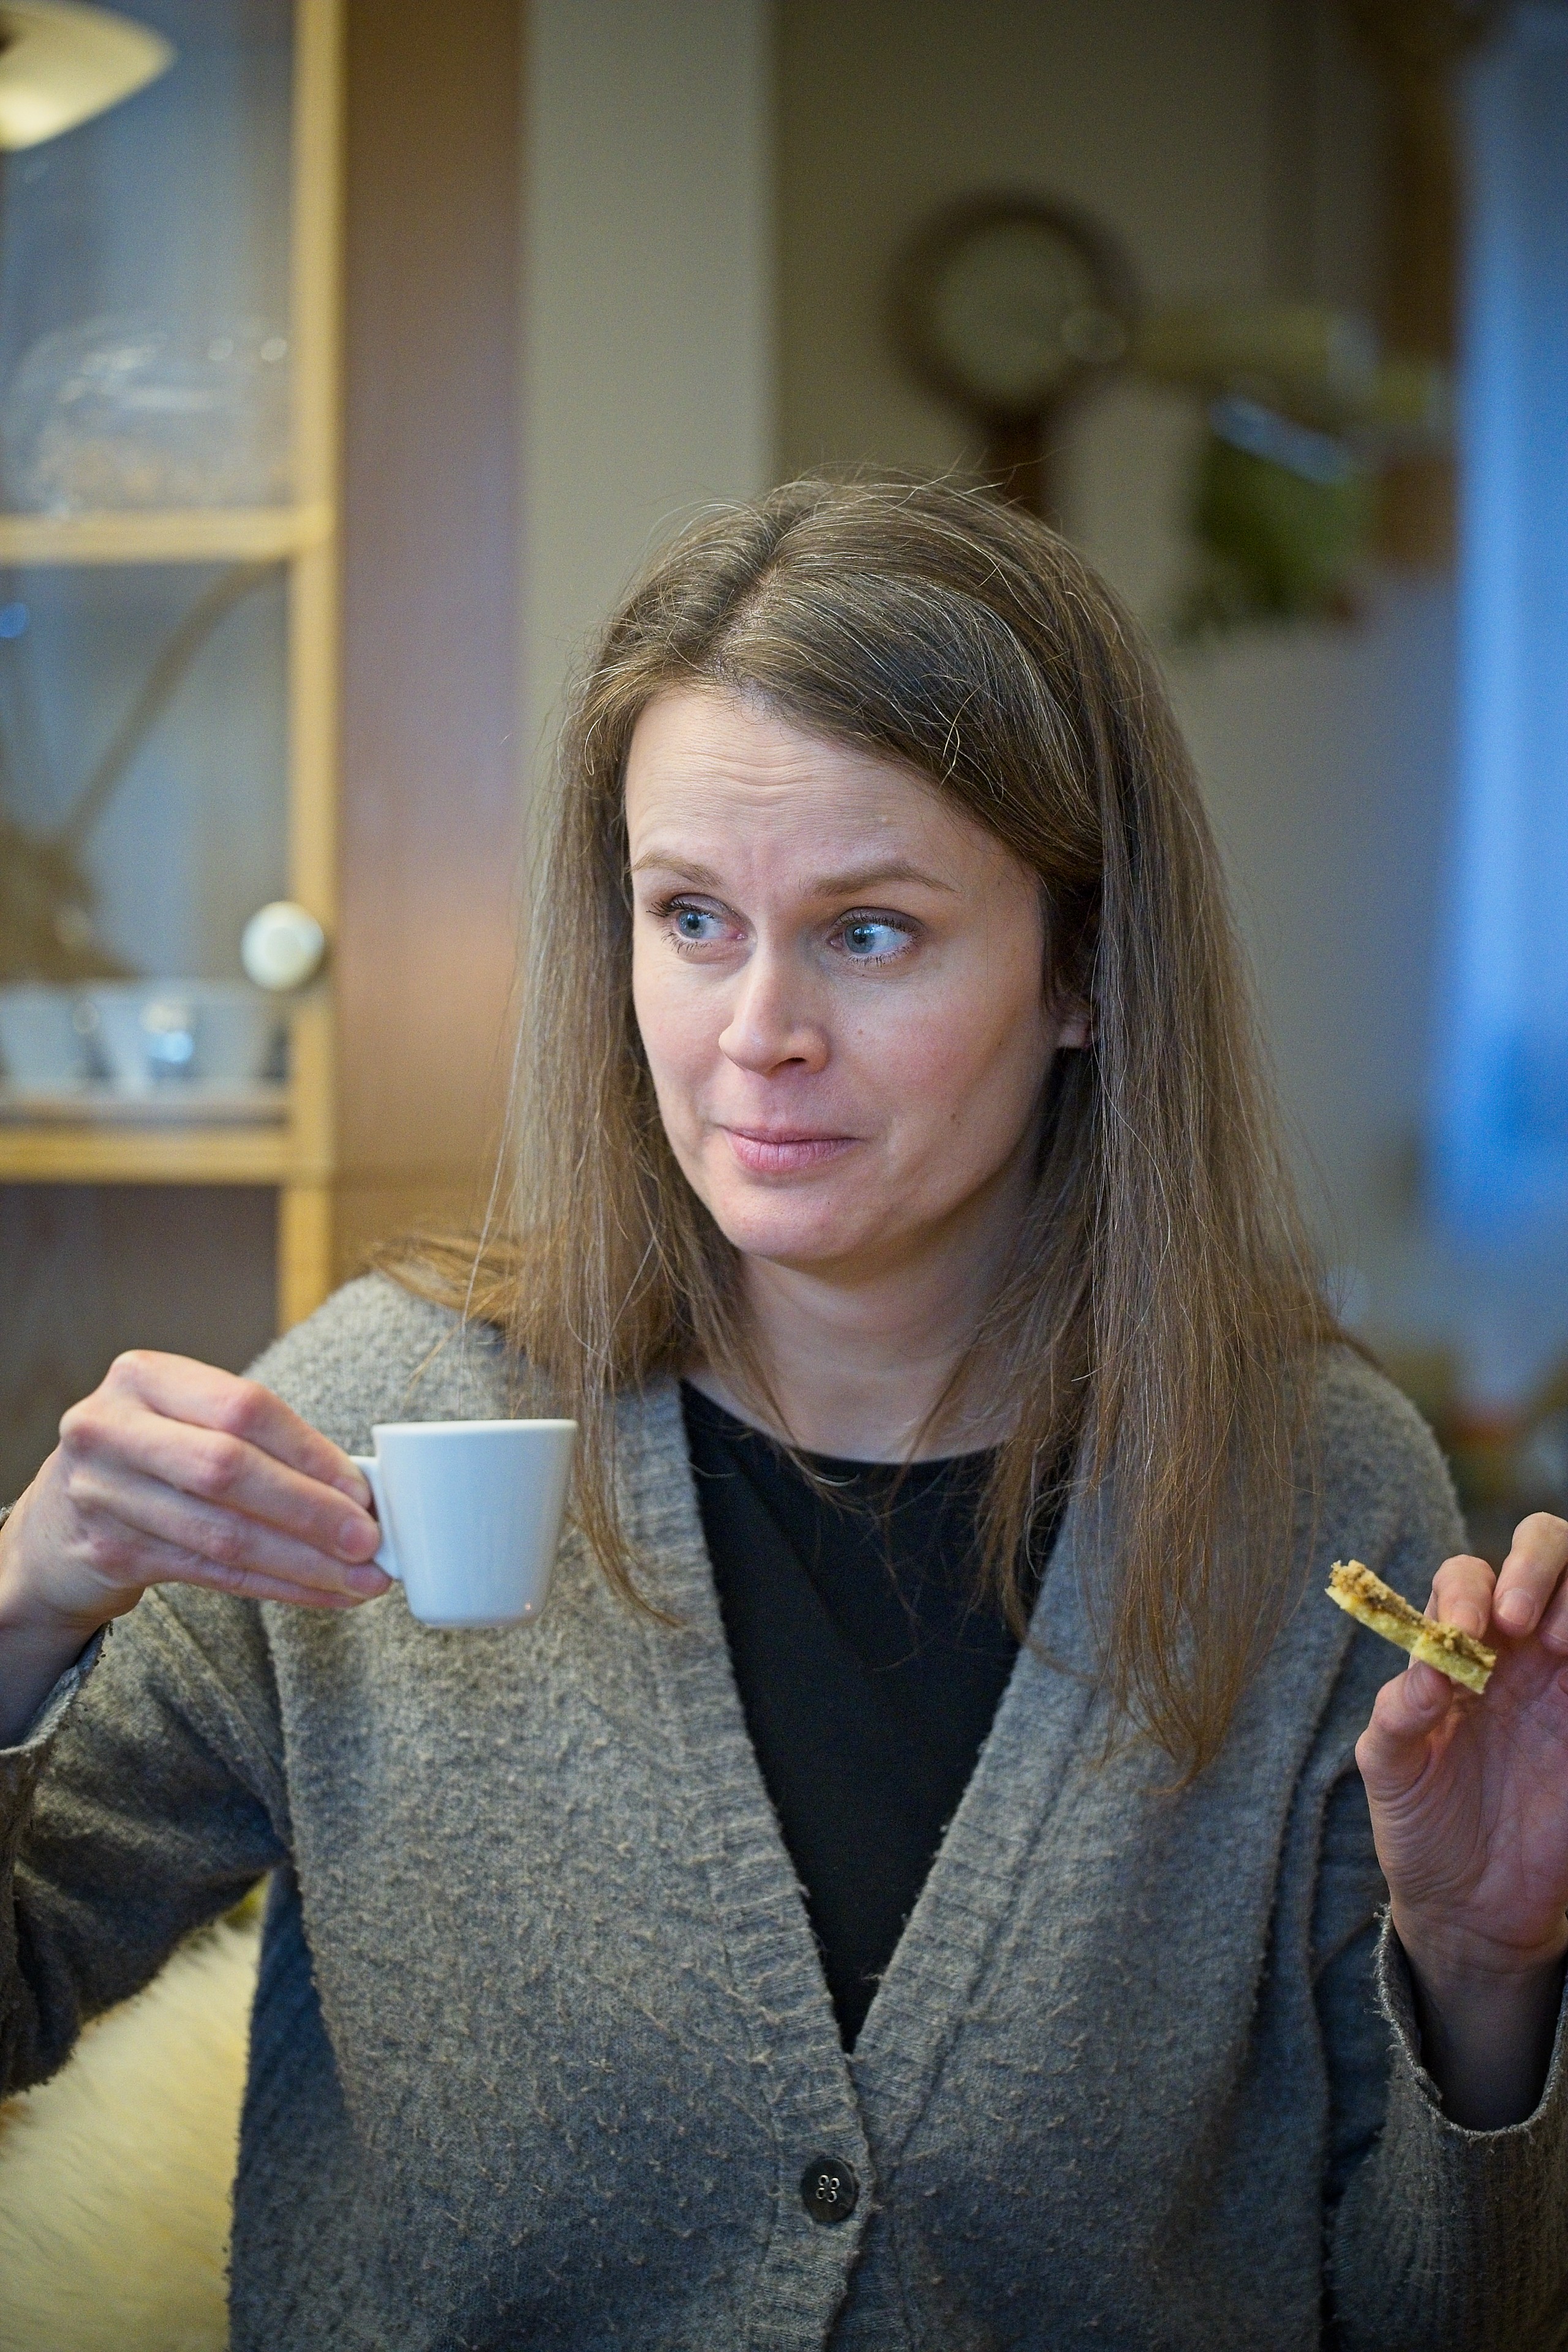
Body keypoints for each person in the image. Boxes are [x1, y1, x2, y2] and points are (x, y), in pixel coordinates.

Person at [1, 476, 1564, 2351]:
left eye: (870, 932)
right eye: (690, 917)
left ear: (1083, 968)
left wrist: (1486, 1969)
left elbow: (1440, 2318)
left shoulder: (1317, 1491)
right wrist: (19, 1614)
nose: (756, 1033)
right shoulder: (375, 1419)